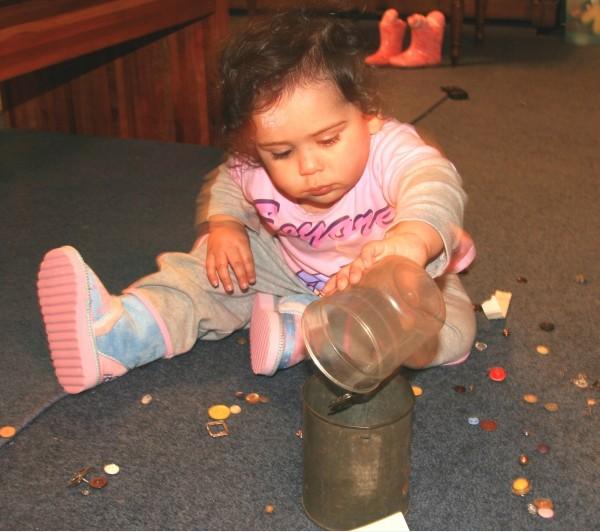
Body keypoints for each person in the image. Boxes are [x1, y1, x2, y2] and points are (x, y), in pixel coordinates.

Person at [37, 10, 476, 395]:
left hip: (385, 281)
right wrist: (224, 225)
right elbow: (228, 181)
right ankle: (119, 334)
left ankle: (305, 331)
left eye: (328, 140)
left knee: (447, 335)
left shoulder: (390, 148)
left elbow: (433, 180)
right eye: (282, 153)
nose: (309, 167)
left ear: (367, 112)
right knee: (210, 269)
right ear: (255, 147)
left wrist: (412, 241)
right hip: (287, 264)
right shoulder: (251, 163)